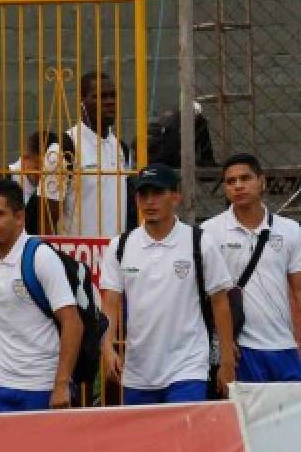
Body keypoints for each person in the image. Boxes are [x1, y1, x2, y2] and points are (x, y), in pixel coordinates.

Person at [100, 164, 237, 405]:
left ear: (176, 196)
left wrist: (226, 362)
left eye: (158, 193)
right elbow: (110, 303)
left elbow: (220, 302)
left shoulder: (199, 241)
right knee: (144, 444)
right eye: (144, 194)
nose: (150, 201)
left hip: (188, 368)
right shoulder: (120, 246)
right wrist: (107, 347)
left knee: (185, 442)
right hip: (138, 372)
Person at [0, 177, 83, 412]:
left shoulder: (40, 257)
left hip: (40, 387)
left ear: (20, 217)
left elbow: (72, 321)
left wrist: (61, 385)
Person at [201, 152, 301, 381]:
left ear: (262, 181)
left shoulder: (290, 230)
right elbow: (204, 295)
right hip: (239, 349)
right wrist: (223, 346)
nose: (238, 186)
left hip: (283, 345)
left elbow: (298, 289)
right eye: (230, 181)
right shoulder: (209, 232)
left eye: (245, 179)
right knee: (241, 416)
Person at [42, 71, 132, 237]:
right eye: (100, 97)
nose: (110, 102)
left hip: (115, 255)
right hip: (77, 256)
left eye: (113, 96)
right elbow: (47, 215)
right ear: (82, 102)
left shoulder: (121, 148)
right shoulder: (64, 148)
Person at [11, 130, 59, 235]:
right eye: (38, 168)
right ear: (25, 159)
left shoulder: (57, 182)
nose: (44, 176)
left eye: (49, 170)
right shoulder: (3, 180)